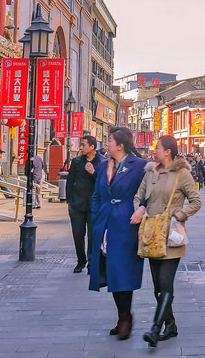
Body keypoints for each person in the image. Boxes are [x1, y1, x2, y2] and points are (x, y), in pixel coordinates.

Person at [131, 135, 202, 348]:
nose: (154, 151)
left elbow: (196, 201)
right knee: (156, 287)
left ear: (168, 151)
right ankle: (170, 325)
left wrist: (179, 215)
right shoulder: (150, 171)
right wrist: (140, 208)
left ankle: (155, 328)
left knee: (165, 283)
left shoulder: (182, 173)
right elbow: (139, 196)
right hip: (152, 234)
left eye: (158, 148)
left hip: (171, 236)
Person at [88, 127, 147, 340]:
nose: (107, 144)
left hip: (126, 223)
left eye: (110, 140)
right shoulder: (103, 165)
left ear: (120, 145)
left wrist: (141, 209)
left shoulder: (139, 165)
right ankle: (122, 316)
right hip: (104, 222)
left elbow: (148, 193)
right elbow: (96, 194)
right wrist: (96, 216)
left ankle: (126, 318)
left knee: (122, 270)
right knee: (110, 270)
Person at [66, 135, 100, 274]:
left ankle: (92, 263)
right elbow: (70, 181)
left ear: (92, 147)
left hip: (94, 205)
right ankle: (81, 260)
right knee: (78, 235)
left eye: (84, 145)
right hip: (77, 204)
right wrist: (69, 200)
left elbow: (104, 182)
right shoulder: (77, 161)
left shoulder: (102, 162)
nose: (81, 147)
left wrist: (94, 172)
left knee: (93, 235)